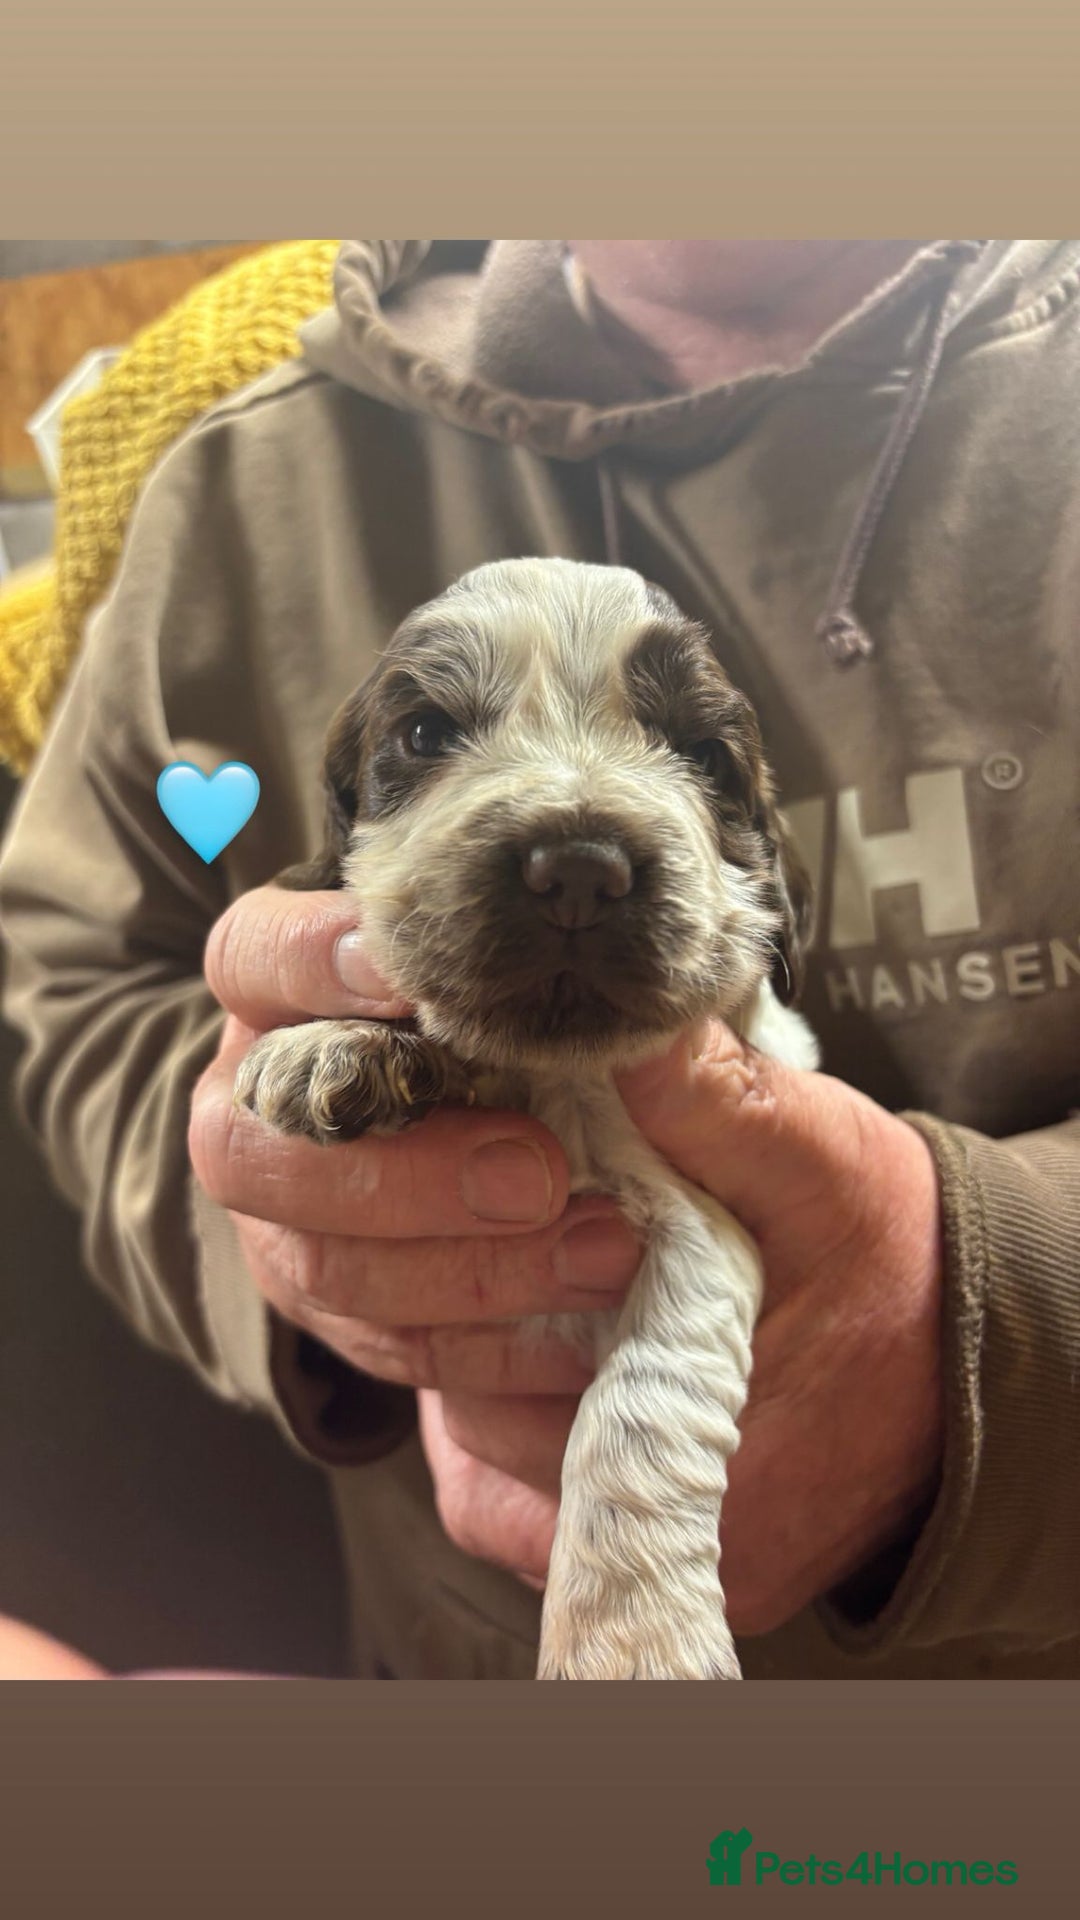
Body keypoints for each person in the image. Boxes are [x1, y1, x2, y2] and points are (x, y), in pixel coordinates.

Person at [2, 239, 1078, 1680]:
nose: (576, 863)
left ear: (769, 868)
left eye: (690, 754)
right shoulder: (249, 473)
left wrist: (1010, 1336)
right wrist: (302, 1235)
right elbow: (79, 979)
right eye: (433, 739)